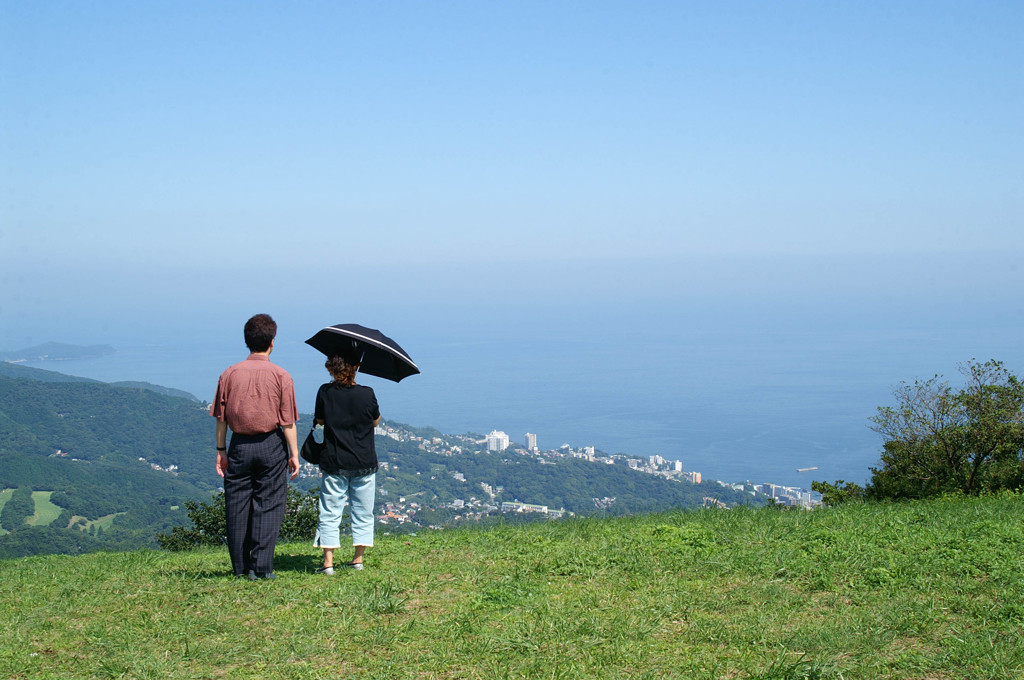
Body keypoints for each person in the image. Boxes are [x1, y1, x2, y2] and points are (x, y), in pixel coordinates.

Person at [211, 313, 300, 580]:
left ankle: (241, 568)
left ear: (246, 341)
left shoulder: (229, 373)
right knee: (270, 503)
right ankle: (262, 567)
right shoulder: (281, 376)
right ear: (272, 342)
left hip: (238, 444)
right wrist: (294, 454)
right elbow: (288, 422)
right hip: (271, 444)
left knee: (236, 504)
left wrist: (220, 451)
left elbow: (221, 418)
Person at [313, 349, 381, 574]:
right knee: (363, 511)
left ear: (332, 369)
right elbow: (375, 421)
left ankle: (328, 563)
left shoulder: (325, 392)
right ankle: (357, 560)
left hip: (334, 460)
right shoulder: (367, 393)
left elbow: (320, 420)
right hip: (363, 461)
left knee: (330, 511)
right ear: (356, 367)